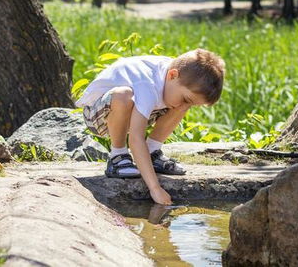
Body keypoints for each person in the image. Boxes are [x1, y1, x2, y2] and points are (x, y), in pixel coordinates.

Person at [75, 48, 226, 205]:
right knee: (123, 95)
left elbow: (181, 97)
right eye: (185, 98)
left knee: (181, 105)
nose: (184, 104)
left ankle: (153, 152)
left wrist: (184, 102)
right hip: (98, 116)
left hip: (133, 110)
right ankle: (117, 156)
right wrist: (155, 188)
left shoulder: (177, 78)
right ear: (172, 75)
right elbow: (135, 139)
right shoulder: (147, 85)